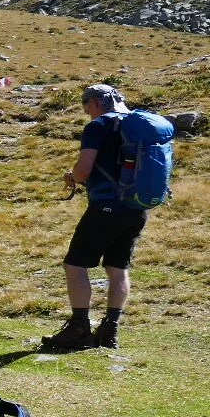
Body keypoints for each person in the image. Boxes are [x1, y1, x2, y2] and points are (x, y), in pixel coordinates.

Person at [42, 84, 142, 351]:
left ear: (96, 102)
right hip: (136, 207)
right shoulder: (138, 124)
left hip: (106, 206)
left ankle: (79, 329)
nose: (87, 115)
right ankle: (110, 330)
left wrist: (71, 177)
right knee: (117, 268)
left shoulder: (98, 126)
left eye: (87, 109)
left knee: (75, 266)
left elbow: (83, 170)